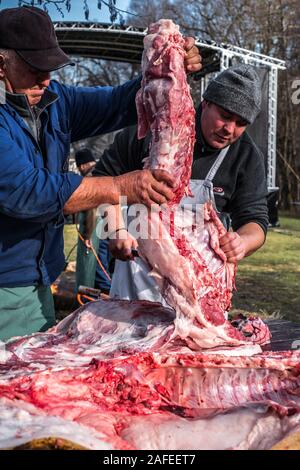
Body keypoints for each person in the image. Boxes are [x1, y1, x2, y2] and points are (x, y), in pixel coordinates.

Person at [0, 6, 202, 340]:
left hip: (38, 280)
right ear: (1, 62)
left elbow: (118, 103)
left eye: (51, 67)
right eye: (35, 68)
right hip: (6, 283)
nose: (46, 79)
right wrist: (119, 186)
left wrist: (169, 70)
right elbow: (26, 191)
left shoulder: (53, 99)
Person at [93, 64, 269, 303]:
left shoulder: (246, 156)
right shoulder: (154, 131)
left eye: (241, 123)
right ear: (206, 103)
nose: (229, 129)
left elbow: (255, 221)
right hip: (136, 282)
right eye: (225, 116)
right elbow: (101, 182)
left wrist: (243, 242)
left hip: (199, 292)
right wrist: (115, 230)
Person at [74, 148, 112, 294]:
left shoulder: (90, 179)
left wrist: (89, 236)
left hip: (97, 229)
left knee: (97, 267)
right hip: (111, 226)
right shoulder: (105, 172)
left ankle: (107, 296)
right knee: (106, 263)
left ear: (82, 165)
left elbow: (92, 211)